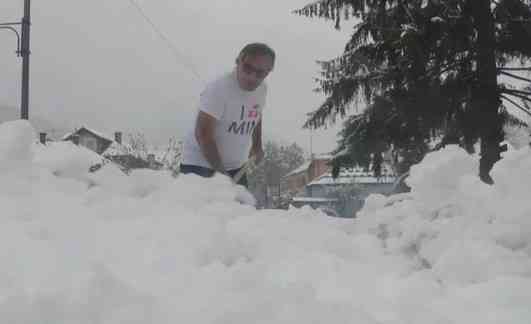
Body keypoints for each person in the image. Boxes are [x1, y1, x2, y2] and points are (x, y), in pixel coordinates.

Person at [180, 43, 275, 187]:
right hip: (200, 167)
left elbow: (256, 114)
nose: (252, 76)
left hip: (236, 167)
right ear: (238, 62)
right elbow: (203, 134)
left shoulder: (261, 89)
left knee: (238, 209)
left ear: (268, 72)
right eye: (247, 68)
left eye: (260, 73)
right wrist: (221, 176)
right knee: (203, 209)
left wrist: (256, 145)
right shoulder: (218, 89)